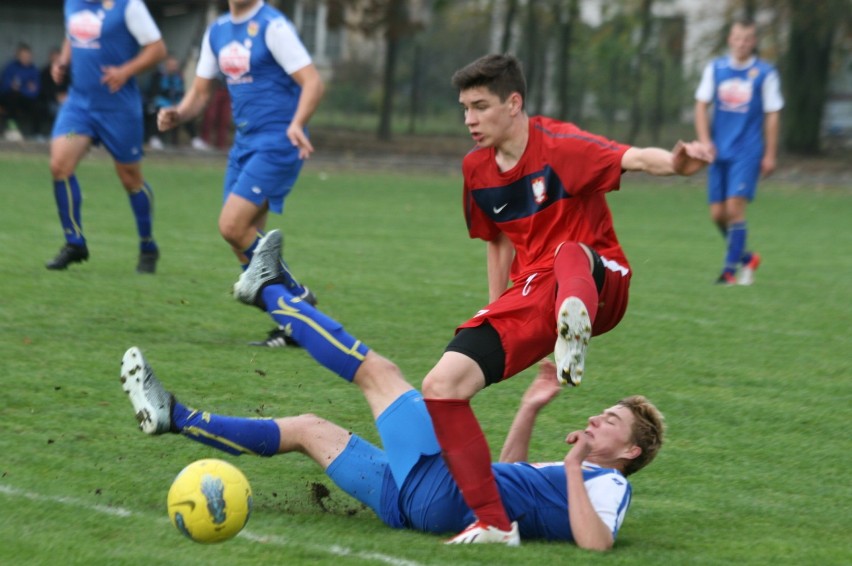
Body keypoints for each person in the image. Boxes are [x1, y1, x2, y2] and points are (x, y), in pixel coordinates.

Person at [120, 230, 665, 549]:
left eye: (610, 423)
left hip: (443, 493)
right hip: (423, 503)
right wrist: (528, 408)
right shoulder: (580, 475)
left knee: (377, 372)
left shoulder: (609, 487)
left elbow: (598, 542)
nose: (597, 420)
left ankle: (269, 291)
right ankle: (175, 415)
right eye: (603, 414)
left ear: (630, 451)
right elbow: (502, 474)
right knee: (311, 429)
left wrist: (571, 468)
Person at [412, 53, 711, 545]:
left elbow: (633, 157)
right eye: (464, 108)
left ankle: (576, 331)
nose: (469, 120)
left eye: (480, 106)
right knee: (441, 385)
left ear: (514, 103)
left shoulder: (562, 146)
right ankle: (493, 523)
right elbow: (498, 242)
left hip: (602, 281)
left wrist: (678, 165)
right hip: (533, 291)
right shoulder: (476, 170)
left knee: (570, 251)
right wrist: (496, 310)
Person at [157, 0, 325, 345]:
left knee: (232, 225)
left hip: (278, 141)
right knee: (242, 241)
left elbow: (312, 82)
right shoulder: (217, 31)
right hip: (245, 144)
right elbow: (201, 92)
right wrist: (178, 112)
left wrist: (297, 123)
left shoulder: (272, 26)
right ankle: (294, 322)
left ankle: (298, 300)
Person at [46, 0, 167, 273]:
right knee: (59, 166)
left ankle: (148, 246)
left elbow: (158, 49)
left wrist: (125, 71)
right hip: (80, 105)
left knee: (130, 178)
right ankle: (74, 242)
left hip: (118, 107)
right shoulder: (72, 4)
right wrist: (63, 61)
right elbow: (72, 34)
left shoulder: (129, 6)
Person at [694, 18, 783, 286]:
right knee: (717, 215)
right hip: (718, 151)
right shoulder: (716, 69)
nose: (742, 43)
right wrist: (704, 140)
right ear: (730, 39)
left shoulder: (765, 74)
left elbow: (772, 115)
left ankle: (729, 272)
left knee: (734, 209)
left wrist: (769, 154)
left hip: (747, 151)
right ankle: (747, 258)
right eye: (737, 38)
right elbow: (700, 105)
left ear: (753, 42)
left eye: (747, 39)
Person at [144, 54, 207, 150]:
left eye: (175, 65)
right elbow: (153, 94)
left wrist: (180, 104)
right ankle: (154, 138)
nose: (173, 67)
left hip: (175, 103)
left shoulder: (178, 77)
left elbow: (181, 93)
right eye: (171, 65)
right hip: (160, 103)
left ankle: (195, 139)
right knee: (159, 112)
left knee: (187, 113)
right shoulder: (158, 75)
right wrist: (167, 103)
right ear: (166, 65)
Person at [0, 43, 41, 139]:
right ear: (18, 56)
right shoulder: (10, 67)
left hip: (26, 98)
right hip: (9, 98)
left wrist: (20, 87)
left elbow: (35, 91)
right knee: (12, 98)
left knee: (38, 105)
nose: (26, 58)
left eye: (28, 56)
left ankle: (37, 134)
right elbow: (5, 86)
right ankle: (12, 129)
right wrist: (25, 87)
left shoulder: (34, 70)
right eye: (23, 56)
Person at [38, 47, 71, 139]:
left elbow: (72, 86)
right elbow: (44, 89)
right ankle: (58, 136)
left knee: (71, 113)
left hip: (68, 101)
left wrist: (66, 96)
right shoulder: (45, 72)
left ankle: (70, 136)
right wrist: (56, 96)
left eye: (58, 58)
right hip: (50, 101)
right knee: (60, 111)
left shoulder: (68, 72)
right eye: (54, 58)